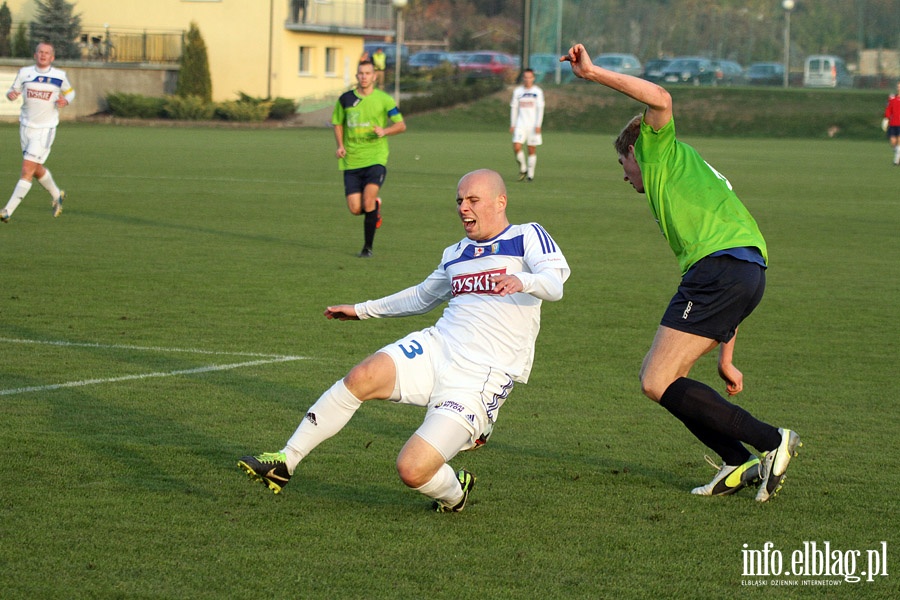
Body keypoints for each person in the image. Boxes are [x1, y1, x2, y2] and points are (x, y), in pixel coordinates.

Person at [238, 169, 570, 512]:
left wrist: (524, 281)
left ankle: (455, 493)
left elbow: (554, 284)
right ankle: (285, 462)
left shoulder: (526, 235)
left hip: (481, 377)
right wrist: (361, 310)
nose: (463, 208)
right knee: (361, 377)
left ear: (501, 201)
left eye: (473, 200)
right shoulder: (455, 253)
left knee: (411, 469)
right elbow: (422, 297)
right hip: (438, 346)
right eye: (459, 201)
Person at [562, 44, 800, 502]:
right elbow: (738, 262)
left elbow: (661, 100)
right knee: (672, 380)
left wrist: (592, 74)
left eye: (622, 163)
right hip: (746, 273)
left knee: (655, 380)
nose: (625, 174)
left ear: (636, 150)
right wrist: (726, 356)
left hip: (718, 272)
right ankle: (736, 462)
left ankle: (771, 441)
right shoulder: (690, 175)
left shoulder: (657, 151)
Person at [331, 60, 406, 258]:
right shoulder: (345, 99)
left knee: (368, 199)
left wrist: (385, 130)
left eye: (367, 73)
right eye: (361, 73)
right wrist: (340, 145)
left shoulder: (384, 100)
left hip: (375, 158)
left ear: (374, 76)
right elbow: (337, 123)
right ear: (357, 76)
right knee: (356, 209)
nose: (364, 76)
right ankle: (375, 209)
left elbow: (401, 125)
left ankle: (367, 248)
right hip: (351, 161)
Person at [1, 42, 74, 224]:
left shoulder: (59, 76)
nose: (43, 55)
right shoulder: (25, 73)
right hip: (25, 127)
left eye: (47, 53)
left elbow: (71, 92)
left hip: (45, 129)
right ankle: (57, 195)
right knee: (35, 169)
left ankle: (7, 211)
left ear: (52, 58)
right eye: (40, 52)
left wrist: (66, 100)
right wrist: (11, 94)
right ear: (35, 55)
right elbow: (13, 90)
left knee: (27, 168)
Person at [509, 68, 544, 182]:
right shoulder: (518, 92)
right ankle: (523, 167)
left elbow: (540, 109)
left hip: (533, 125)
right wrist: (513, 124)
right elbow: (514, 108)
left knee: (531, 150)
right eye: (525, 77)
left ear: (533, 78)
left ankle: (530, 175)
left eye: (530, 77)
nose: (527, 79)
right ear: (523, 78)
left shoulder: (537, 92)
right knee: (517, 146)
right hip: (520, 124)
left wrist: (538, 124)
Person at [882, 81, 900, 166]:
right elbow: (888, 109)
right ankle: (898, 154)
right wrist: (886, 118)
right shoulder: (892, 97)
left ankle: (896, 161)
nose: (899, 87)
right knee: (893, 142)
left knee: (899, 141)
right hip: (893, 123)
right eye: (898, 86)